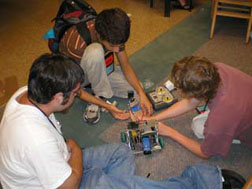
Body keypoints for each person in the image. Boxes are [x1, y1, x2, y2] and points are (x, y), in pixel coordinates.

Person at [0, 53, 223, 188]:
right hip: (57, 182)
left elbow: (79, 95)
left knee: (122, 152)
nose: (79, 94)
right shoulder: (36, 141)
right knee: (122, 184)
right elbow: (68, 185)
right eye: (75, 92)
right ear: (59, 96)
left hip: (59, 159)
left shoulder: (31, 90)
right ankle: (200, 183)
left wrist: (109, 107)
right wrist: (75, 149)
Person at [143, 56, 252, 158]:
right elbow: (191, 102)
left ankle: (227, 136)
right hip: (241, 103)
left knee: (198, 126)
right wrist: (155, 118)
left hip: (242, 126)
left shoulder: (220, 118)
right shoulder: (217, 68)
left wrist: (170, 132)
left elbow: (204, 153)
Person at [58, 7, 152, 124]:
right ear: (99, 35)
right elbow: (74, 89)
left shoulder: (114, 33)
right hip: (77, 78)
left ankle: (97, 90)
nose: (117, 49)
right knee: (95, 51)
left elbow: (125, 65)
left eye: (121, 45)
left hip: (101, 68)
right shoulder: (76, 44)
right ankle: (99, 96)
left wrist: (142, 94)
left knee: (135, 89)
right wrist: (106, 106)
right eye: (113, 46)